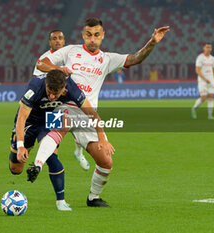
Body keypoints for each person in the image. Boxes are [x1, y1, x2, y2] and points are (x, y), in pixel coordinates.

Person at [34, 17, 169, 207]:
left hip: (88, 115)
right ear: (83, 35)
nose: (92, 39)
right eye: (88, 35)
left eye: (96, 35)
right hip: (63, 105)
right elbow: (42, 62)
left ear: (102, 36)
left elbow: (135, 58)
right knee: (58, 128)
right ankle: (38, 165)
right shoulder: (70, 51)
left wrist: (152, 43)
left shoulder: (107, 59)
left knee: (106, 162)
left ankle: (93, 198)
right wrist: (60, 70)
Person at [9, 69, 112, 211]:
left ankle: (60, 200)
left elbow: (91, 113)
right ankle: (33, 156)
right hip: (29, 122)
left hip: (48, 120)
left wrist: (101, 138)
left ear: (63, 88)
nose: (51, 96)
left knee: (63, 127)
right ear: (46, 84)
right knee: (15, 168)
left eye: (55, 93)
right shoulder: (35, 85)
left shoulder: (71, 87)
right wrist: (20, 145)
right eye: (49, 91)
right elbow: (22, 117)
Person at [33, 29, 90, 171]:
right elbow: (37, 81)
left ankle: (78, 151)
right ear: (49, 42)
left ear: (64, 41)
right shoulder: (45, 58)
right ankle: (54, 169)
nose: (57, 41)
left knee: (84, 118)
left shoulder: (70, 55)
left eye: (60, 38)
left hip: (70, 99)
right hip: (53, 104)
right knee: (54, 145)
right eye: (54, 38)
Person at [191, 43, 214, 120]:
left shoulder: (212, 58)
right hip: (202, 81)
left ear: (211, 49)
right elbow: (197, 70)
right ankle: (194, 108)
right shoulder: (200, 58)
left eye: (210, 47)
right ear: (204, 48)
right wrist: (204, 79)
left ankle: (210, 115)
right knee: (203, 98)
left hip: (211, 81)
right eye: (207, 47)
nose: (208, 48)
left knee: (211, 97)